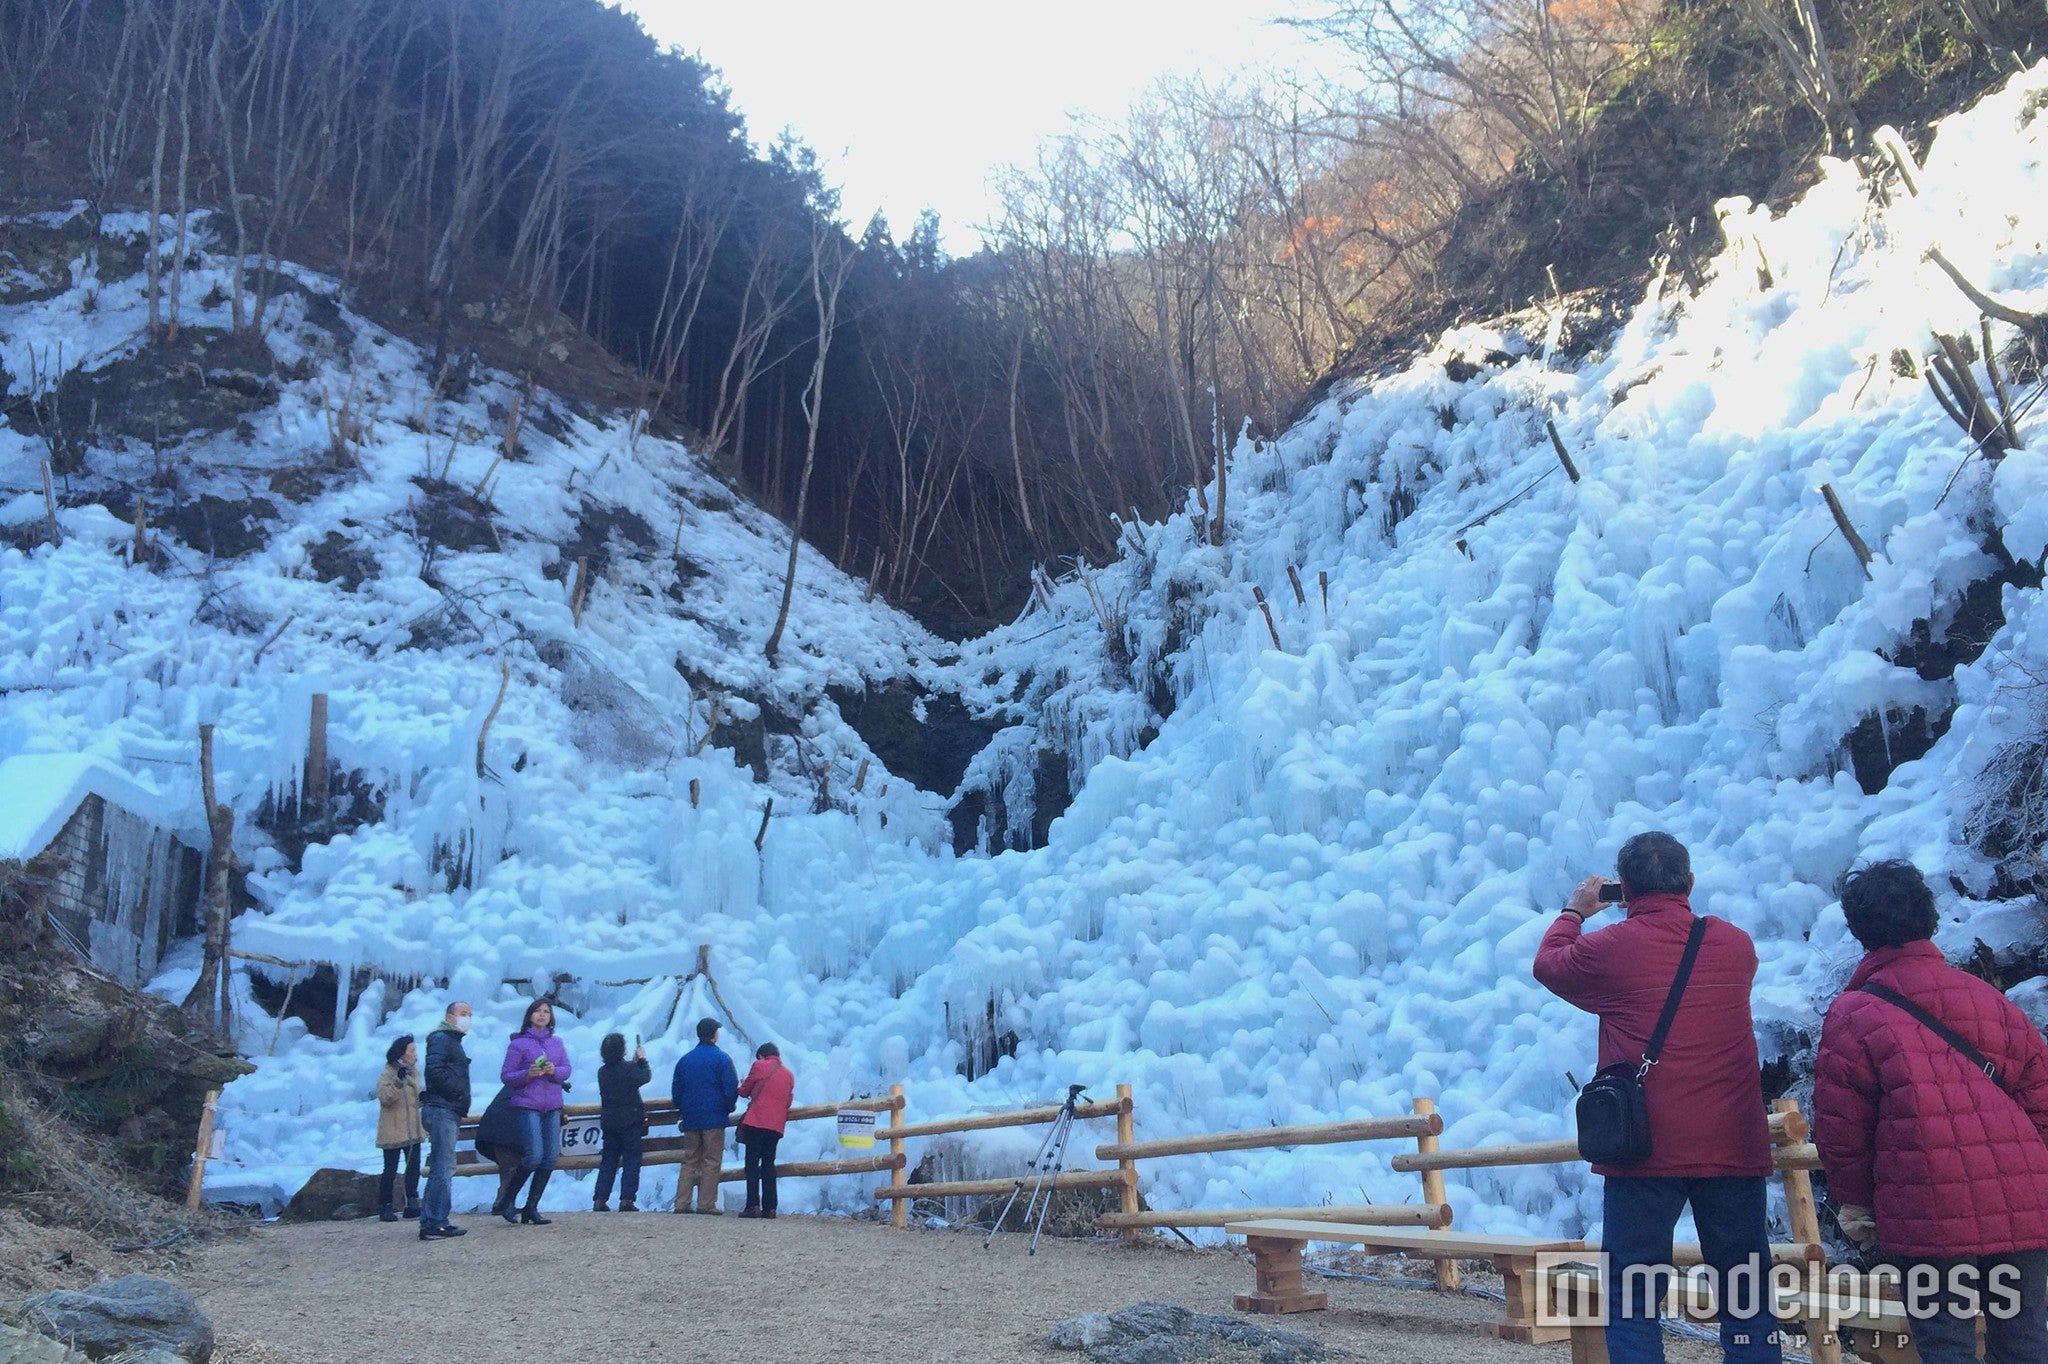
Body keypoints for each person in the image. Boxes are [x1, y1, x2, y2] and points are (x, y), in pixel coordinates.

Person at [1533, 832, 1780, 1364]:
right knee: (1746, 1294)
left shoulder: (1610, 950)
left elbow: (1550, 963)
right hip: (1731, 1143)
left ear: (1625, 893)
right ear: (1689, 883)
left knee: (1633, 1295)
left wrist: (1575, 911)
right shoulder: (1737, 946)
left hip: (1645, 1148)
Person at [1813, 860, 2048, 1364]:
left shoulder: (1854, 1012)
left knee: (1946, 1344)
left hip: (1929, 1210)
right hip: (2023, 1200)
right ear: (1929, 919)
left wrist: (1857, 1205)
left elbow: (1843, 1128)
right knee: (2024, 1343)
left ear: (1859, 930)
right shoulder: (1988, 999)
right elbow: (2040, 1097)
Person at [496, 998, 572, 1226]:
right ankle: (507, 1200)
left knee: (549, 1157)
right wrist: (527, 1074)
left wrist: (554, 1070)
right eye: (537, 1011)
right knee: (534, 1155)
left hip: (552, 1105)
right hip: (528, 1104)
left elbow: (567, 1069)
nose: (542, 1015)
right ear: (530, 1016)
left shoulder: (557, 1043)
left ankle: (531, 1206)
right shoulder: (518, 1044)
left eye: (546, 1011)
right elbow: (507, 1075)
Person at [417, 1001, 472, 1241]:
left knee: (443, 1165)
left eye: (469, 1014)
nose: (467, 1018)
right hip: (442, 1108)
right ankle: (436, 1221)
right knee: (443, 1166)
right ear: (449, 1017)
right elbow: (434, 1070)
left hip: (446, 1108)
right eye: (462, 1014)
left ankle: (432, 1219)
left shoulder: (450, 1040)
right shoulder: (441, 1039)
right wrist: (456, 1092)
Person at [671, 1017, 737, 1214]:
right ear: (714, 1035)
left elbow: (676, 1090)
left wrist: (684, 1108)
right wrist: (728, 1107)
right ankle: (706, 1203)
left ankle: (681, 1203)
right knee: (711, 1160)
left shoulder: (685, 1060)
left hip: (691, 1118)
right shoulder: (722, 1059)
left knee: (689, 1160)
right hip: (714, 1117)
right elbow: (730, 1088)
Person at [737, 1043, 794, 1219]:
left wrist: (742, 1084)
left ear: (762, 1055)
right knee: (769, 1164)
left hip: (757, 1122)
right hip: (776, 1126)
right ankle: (770, 1208)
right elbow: (788, 1101)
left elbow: (744, 1091)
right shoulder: (789, 1075)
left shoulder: (759, 1066)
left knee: (752, 1164)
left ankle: (752, 1205)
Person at [594, 1032, 651, 1212]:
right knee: (631, 1159)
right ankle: (627, 1199)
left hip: (609, 1121)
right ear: (622, 1050)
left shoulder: (602, 1072)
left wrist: (632, 1064)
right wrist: (642, 1061)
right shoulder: (627, 1069)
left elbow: (624, 1077)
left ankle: (600, 1198)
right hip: (630, 1121)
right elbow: (644, 1077)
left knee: (608, 1160)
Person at [375, 1035, 424, 1223]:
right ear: (402, 1053)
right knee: (390, 1169)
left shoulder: (415, 1072)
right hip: (393, 1129)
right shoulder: (388, 1072)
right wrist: (397, 1082)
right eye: (411, 1051)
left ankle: (412, 1202)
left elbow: (415, 1096)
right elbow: (385, 1098)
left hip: (413, 1129)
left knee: (413, 1167)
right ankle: (385, 1205)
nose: (415, 1055)